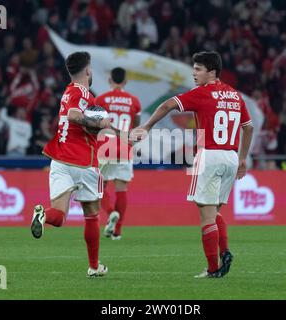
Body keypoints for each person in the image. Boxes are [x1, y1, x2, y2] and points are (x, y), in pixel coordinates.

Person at [130, 51, 253, 278]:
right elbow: (248, 127)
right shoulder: (235, 95)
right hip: (231, 157)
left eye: (198, 69)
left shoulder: (201, 93)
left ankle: (213, 269)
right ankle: (224, 251)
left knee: (206, 216)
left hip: (209, 155)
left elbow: (168, 105)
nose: (194, 73)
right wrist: (243, 158)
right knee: (214, 212)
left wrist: (145, 127)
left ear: (212, 72)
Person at [30, 51, 113, 278]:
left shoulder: (67, 92)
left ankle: (42, 216)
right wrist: (102, 122)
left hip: (59, 159)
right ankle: (94, 266)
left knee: (58, 215)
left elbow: (74, 117)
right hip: (84, 160)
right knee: (92, 215)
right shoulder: (83, 91)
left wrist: (99, 124)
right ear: (87, 70)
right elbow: (76, 116)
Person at [95, 67, 141, 240]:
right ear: (126, 81)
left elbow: (95, 123)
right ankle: (117, 231)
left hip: (104, 146)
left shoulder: (101, 99)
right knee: (121, 189)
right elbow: (136, 126)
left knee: (100, 186)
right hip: (124, 145)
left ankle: (110, 212)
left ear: (109, 80)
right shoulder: (134, 101)